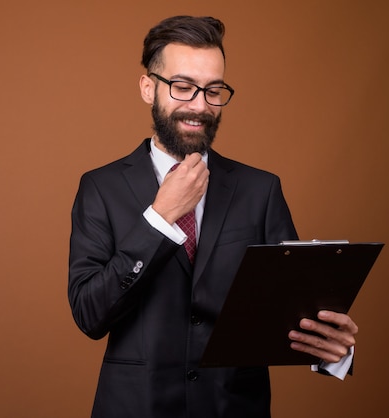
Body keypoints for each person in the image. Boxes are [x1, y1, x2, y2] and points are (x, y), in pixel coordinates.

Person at [68, 15, 358, 418]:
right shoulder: (100, 188)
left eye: (213, 90)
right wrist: (160, 218)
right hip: (135, 407)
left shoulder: (260, 189)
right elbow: (89, 313)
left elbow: (288, 310)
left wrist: (333, 350)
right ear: (148, 87)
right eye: (183, 87)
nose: (200, 106)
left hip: (234, 407)